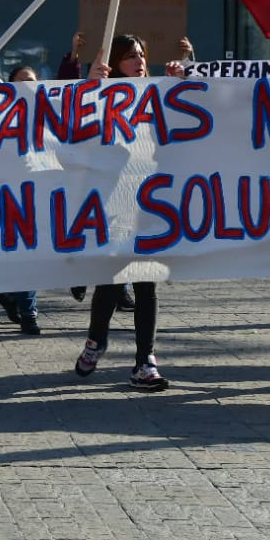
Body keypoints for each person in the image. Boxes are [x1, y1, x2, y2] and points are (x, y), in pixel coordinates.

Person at [72, 34, 176, 392]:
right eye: (131, 56)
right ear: (116, 63)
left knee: (146, 283)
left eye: (142, 54)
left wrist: (183, 78)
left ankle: (145, 361)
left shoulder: (160, 93)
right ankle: (96, 340)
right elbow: (75, 129)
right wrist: (90, 86)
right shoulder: (101, 97)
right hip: (113, 202)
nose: (140, 61)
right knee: (111, 280)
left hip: (151, 203)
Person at [0, 65, 44, 336]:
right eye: (21, 82)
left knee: (31, 253)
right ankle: (25, 307)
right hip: (7, 193)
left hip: (41, 192)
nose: (28, 86)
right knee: (18, 251)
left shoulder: (50, 114)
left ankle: (22, 304)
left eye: (32, 81)